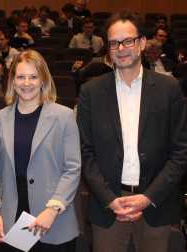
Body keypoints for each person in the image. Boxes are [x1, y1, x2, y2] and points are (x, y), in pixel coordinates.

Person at [77, 11, 187, 252]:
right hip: (108, 210)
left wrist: (148, 197)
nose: (121, 48)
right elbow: (85, 153)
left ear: (142, 43)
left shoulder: (169, 89)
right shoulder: (90, 92)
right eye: (114, 42)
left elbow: (181, 152)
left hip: (156, 207)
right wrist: (110, 200)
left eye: (128, 40)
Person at [0, 49, 81, 252]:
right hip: (12, 218)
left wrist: (52, 209)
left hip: (53, 219)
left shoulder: (64, 116)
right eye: (21, 77)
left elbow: (72, 169)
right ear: (12, 80)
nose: (27, 83)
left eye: (33, 76)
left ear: (43, 80)